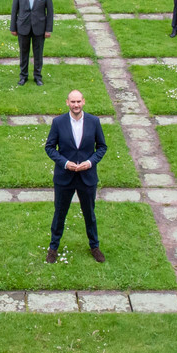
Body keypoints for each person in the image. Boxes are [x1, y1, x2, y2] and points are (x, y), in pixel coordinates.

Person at [44, 89, 107, 265]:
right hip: (65, 177)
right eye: (73, 102)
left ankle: (94, 246)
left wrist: (91, 162)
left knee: (89, 214)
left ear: (84, 102)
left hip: (87, 177)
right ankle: (53, 248)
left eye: (78, 101)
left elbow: (102, 147)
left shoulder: (94, 122)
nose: (76, 105)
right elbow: (49, 147)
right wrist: (65, 163)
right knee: (59, 214)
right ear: (67, 103)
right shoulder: (58, 122)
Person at [10, 0, 53, 86]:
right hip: (23, 26)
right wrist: (13, 27)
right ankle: (23, 76)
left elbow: (49, 11)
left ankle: (37, 77)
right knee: (23, 53)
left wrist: (48, 29)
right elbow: (14, 10)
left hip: (39, 28)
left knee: (38, 54)